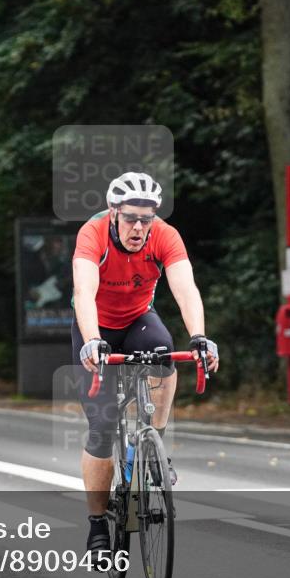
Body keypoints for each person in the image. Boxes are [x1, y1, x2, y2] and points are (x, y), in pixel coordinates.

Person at [71, 172, 219, 558]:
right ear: (114, 212)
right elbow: (84, 291)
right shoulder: (93, 233)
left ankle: (155, 442)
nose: (139, 227)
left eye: (146, 219)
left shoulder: (165, 236)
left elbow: (185, 289)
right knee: (102, 428)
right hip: (95, 327)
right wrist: (91, 341)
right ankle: (97, 525)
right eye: (131, 218)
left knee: (164, 350)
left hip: (138, 318)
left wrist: (200, 337)